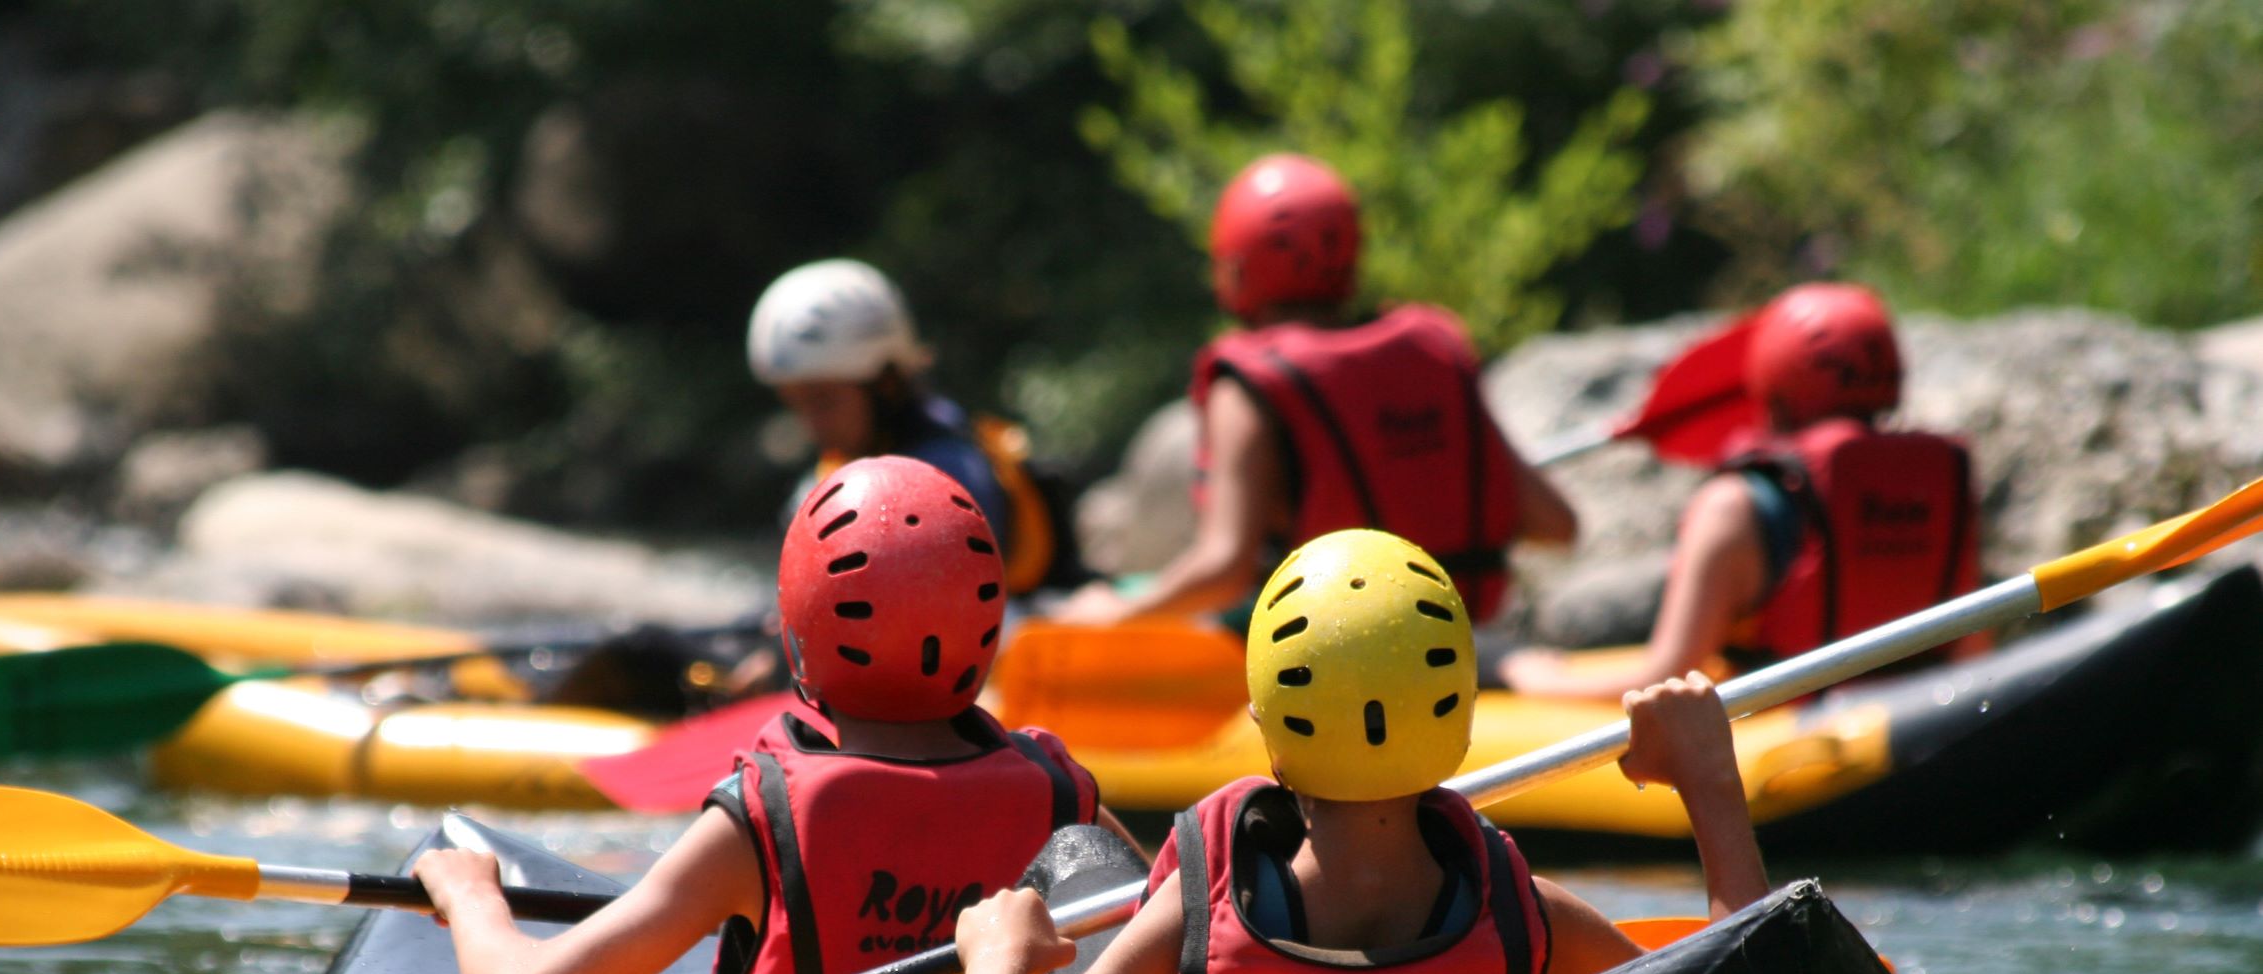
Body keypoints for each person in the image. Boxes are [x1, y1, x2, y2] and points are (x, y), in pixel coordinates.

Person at [945, 528, 1768, 974]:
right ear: (1457, 722)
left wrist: (994, 958)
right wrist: (1710, 786)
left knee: (1080, 859)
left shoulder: (1196, 922)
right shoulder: (1529, 922)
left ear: (1270, 737)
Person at [417, 455, 1134, 974]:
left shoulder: (765, 817)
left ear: (800, 630)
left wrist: (470, 891)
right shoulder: (1063, 800)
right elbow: (1171, 922)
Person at [1054, 154, 1576, 629]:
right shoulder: (1432, 349)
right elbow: (1556, 524)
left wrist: (1120, 612)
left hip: (1335, 652)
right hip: (1462, 636)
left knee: (1131, 599)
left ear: (1236, 268)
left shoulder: (1250, 385)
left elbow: (1224, 568)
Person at [1500, 282, 1980, 699]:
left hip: (1795, 741)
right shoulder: (1942, 481)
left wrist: (1535, 679)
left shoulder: (1734, 507)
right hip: (1923, 714)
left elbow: (1667, 677)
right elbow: (1972, 648)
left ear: (1770, 380)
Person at [749, 258, 1063, 596]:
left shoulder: (948, 473)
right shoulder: (832, 471)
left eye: (824, 401)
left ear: (885, 384)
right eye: (797, 405)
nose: (812, 425)